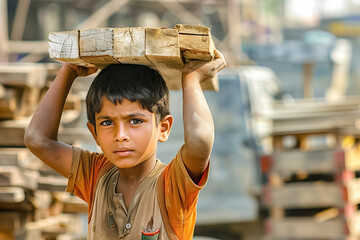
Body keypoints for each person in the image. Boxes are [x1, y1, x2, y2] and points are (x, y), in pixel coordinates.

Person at [24, 50, 226, 239]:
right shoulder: (96, 176)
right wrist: (68, 71)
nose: (120, 135)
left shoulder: (172, 186)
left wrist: (191, 78)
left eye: (135, 121)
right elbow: (37, 140)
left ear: (163, 128)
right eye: (107, 122)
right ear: (94, 133)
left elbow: (200, 140)